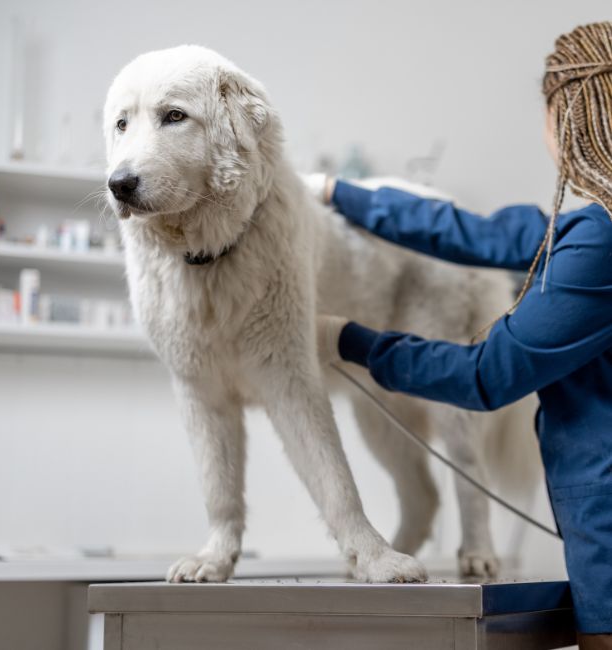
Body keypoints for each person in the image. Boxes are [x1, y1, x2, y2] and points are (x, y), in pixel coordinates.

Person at [313, 22, 612, 650]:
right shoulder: (586, 230)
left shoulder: (602, 240)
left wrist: (349, 340)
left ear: (567, 116)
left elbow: (486, 376)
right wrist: (338, 192)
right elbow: (476, 235)